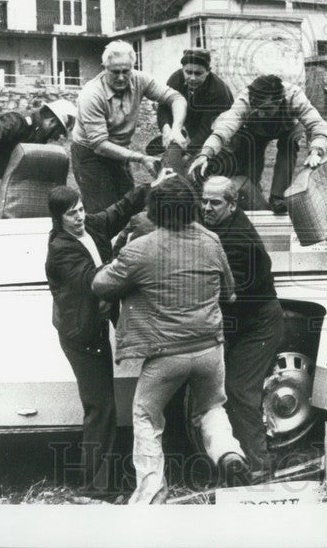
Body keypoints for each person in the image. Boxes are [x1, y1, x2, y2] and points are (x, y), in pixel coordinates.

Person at [92, 174, 248, 504]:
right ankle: (229, 453)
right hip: (210, 348)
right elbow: (231, 294)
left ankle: (152, 492)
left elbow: (100, 285)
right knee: (211, 408)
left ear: (155, 210)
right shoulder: (211, 240)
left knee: (147, 417)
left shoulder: (140, 249)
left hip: (166, 354)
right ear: (192, 206)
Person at [45, 168, 175, 496]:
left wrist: (151, 187)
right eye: (71, 214)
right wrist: (129, 252)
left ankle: (100, 482)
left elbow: (119, 210)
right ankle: (93, 487)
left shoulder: (89, 226)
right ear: (58, 218)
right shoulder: (61, 250)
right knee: (100, 410)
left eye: (80, 209)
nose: (79, 217)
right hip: (81, 336)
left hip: (92, 327)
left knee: (103, 408)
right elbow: (96, 281)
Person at [201, 176, 283, 475]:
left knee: (239, 390)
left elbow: (227, 295)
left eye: (215, 203)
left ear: (233, 205)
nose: (206, 208)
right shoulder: (220, 221)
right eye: (204, 200)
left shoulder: (238, 241)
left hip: (258, 324)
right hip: (243, 320)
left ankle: (260, 467)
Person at [71, 42, 187, 212]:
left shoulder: (140, 79)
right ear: (104, 68)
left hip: (119, 151)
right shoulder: (92, 94)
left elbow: (176, 98)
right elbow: (99, 145)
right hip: (90, 154)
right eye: (115, 72)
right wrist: (141, 158)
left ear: (133, 67)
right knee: (103, 212)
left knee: (129, 206)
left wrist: (176, 129)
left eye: (126, 71)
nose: (121, 77)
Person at [188, 74, 327, 214]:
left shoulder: (294, 96)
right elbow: (224, 129)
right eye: (258, 109)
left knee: (289, 145)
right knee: (251, 168)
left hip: (287, 128)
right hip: (256, 130)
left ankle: (278, 198)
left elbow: (318, 125)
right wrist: (206, 153)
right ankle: (254, 198)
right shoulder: (244, 101)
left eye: (266, 109)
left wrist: (316, 150)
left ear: (280, 101)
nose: (261, 114)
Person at [0, 99, 76, 219]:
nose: (57, 137)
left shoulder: (37, 131)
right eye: (60, 132)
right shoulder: (16, 120)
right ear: (52, 121)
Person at [156, 49, 234, 157]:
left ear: (208, 71)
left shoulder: (218, 90)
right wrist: (166, 129)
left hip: (221, 132)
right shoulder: (175, 79)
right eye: (188, 72)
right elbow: (164, 107)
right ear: (182, 69)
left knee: (210, 160)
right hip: (193, 125)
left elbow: (207, 129)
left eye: (198, 73)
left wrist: (188, 154)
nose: (192, 78)